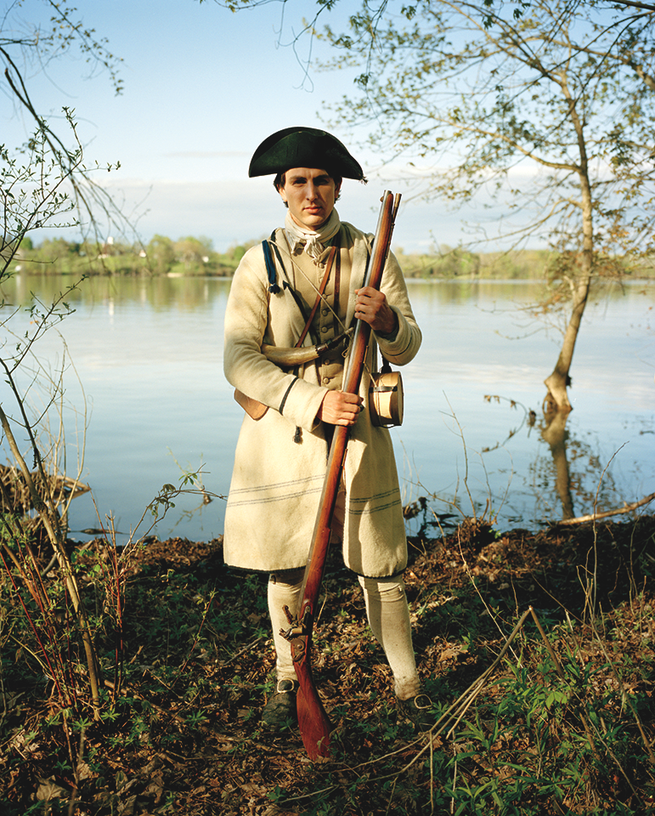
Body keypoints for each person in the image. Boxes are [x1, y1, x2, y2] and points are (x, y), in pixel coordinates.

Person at [223, 126, 433, 732]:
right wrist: (310, 401)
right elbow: (239, 359)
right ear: (280, 191)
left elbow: (412, 345)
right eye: (298, 182)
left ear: (337, 186)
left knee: (383, 562)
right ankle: (290, 680)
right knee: (286, 564)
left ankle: (407, 684)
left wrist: (388, 320)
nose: (310, 192)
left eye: (320, 180)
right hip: (285, 430)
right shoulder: (255, 262)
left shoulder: (374, 251)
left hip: (361, 425)